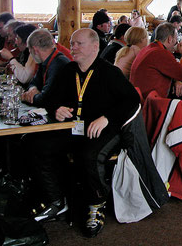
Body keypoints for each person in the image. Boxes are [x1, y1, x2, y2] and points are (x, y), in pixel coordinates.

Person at [29, 28, 140, 238]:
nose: (73, 48)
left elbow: (132, 100)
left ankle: (96, 204)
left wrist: (107, 117)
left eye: (79, 44)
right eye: (72, 44)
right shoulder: (68, 70)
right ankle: (57, 200)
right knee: (39, 146)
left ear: (95, 47)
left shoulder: (109, 72)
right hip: (73, 128)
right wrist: (56, 109)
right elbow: (49, 98)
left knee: (89, 155)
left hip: (104, 129)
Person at [130, 22, 182, 101]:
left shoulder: (148, 48)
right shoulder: (161, 53)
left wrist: (176, 80)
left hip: (137, 99)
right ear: (170, 39)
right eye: (176, 39)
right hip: (151, 104)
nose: (177, 42)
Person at [21, 29, 70, 107]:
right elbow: (33, 82)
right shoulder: (45, 61)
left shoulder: (59, 64)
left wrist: (27, 97)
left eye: (30, 51)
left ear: (35, 50)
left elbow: (46, 99)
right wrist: (32, 89)